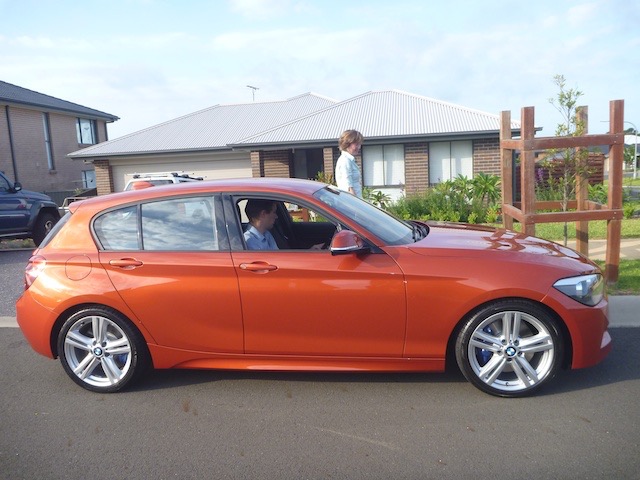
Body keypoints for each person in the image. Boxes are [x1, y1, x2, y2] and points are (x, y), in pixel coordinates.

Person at [335, 129, 364, 197]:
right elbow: (348, 186)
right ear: (347, 144)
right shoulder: (345, 161)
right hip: (351, 201)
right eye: (356, 144)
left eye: (359, 144)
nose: (359, 147)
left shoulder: (350, 160)